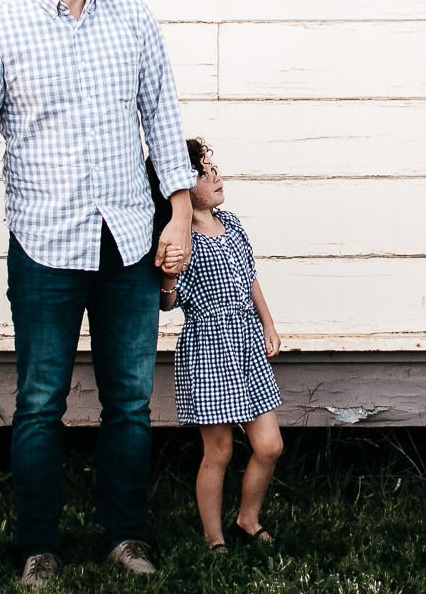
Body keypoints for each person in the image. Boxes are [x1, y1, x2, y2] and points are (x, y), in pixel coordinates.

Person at [0, 0, 199, 587]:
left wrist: (178, 216)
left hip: (130, 242)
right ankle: (37, 545)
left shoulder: (134, 18)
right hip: (45, 244)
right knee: (40, 403)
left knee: (131, 403)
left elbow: (164, 125)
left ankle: (124, 535)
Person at [157, 138, 284, 554]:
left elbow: (250, 277)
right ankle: (215, 539)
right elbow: (168, 302)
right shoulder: (180, 238)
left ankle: (248, 519)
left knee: (269, 445)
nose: (214, 176)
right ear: (176, 184)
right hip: (210, 349)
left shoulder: (231, 223)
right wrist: (170, 276)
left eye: (213, 168)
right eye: (200, 172)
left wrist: (267, 323)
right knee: (220, 451)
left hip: (246, 340)